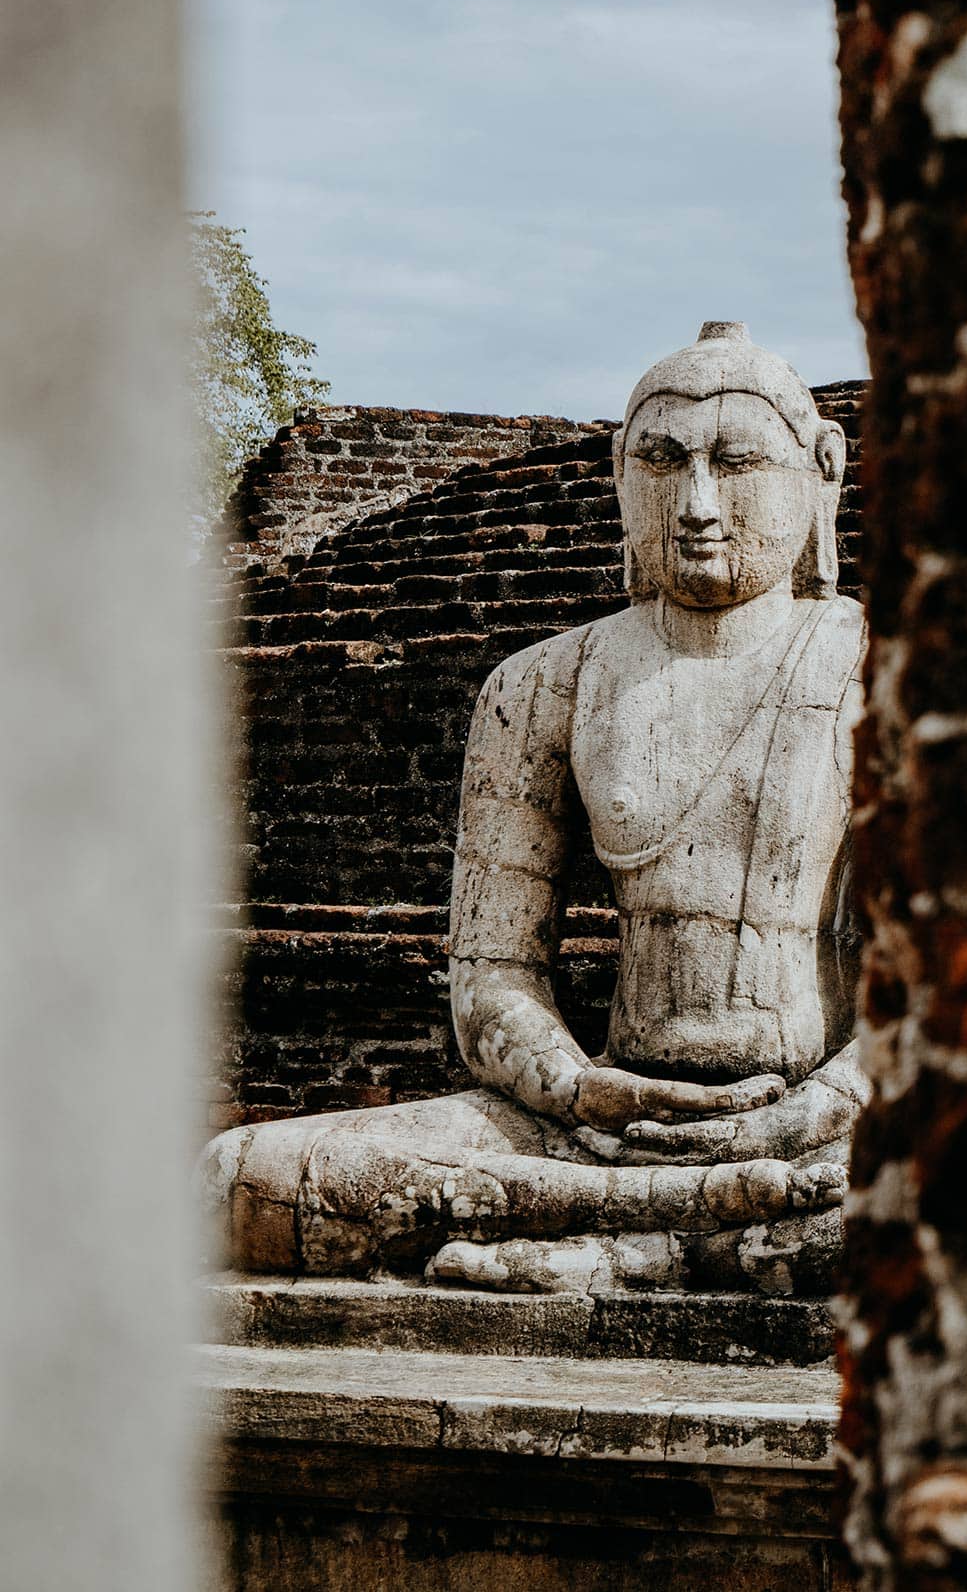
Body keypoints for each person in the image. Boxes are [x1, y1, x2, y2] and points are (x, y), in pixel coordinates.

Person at [200, 323, 869, 1295]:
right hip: (590, 1126)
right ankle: (694, 1233)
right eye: (662, 461)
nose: (698, 505)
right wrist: (581, 1088)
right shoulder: (543, 685)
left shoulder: (887, 677)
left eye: (737, 463)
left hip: (820, 1121)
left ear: (820, 474)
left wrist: (813, 1111)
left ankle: (645, 1238)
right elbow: (491, 979)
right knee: (234, 1179)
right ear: (619, 475)